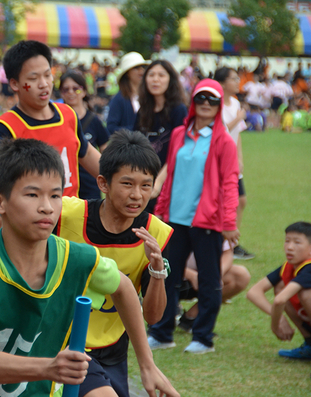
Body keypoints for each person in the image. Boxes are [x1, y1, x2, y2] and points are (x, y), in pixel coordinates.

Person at [0, 138, 179, 397]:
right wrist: (50, 367)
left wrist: (147, 365)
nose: (47, 207)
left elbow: (125, 288)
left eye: (55, 195)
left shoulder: (76, 257)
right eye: (32, 195)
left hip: (48, 382)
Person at [55, 130, 173, 397]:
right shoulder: (68, 214)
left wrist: (157, 272)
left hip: (113, 351)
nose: (137, 195)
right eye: (127, 184)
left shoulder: (156, 232)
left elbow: (153, 317)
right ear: (103, 183)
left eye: (146, 185)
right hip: (60, 343)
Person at [147, 79, 240, 354]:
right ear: (193, 102)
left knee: (210, 281)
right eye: (201, 99)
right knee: (166, 275)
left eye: (212, 100)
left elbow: (230, 183)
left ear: (220, 104)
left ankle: (203, 337)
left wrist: (229, 222)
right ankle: (162, 333)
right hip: (175, 218)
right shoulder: (179, 134)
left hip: (207, 221)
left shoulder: (223, 140)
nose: (206, 105)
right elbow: (171, 174)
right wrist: (161, 210)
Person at [0, 40, 101, 201]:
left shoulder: (68, 115)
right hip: (29, 223)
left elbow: (87, 153)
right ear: (14, 84)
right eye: (33, 78)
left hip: (71, 221)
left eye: (47, 75)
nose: (44, 84)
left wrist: (118, 182)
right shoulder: (5, 128)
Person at [246, 221, 311, 359]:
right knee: (281, 286)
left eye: (297, 242)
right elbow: (253, 292)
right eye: (287, 241)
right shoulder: (288, 266)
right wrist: (279, 317)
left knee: (306, 294)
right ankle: (309, 344)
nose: (290, 247)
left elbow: (280, 300)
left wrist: (275, 326)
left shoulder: (309, 267)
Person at [134, 60, 187, 212]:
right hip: (143, 181)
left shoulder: (178, 110)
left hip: (167, 183)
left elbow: (178, 152)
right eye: (151, 75)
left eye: (161, 75)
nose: (155, 79)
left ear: (170, 80)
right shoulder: (143, 111)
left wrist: (158, 183)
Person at [214, 67, 255, 261]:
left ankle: (232, 242)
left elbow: (236, 134)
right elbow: (220, 131)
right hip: (218, 159)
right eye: (233, 78)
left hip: (232, 160)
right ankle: (227, 243)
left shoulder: (235, 102)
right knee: (230, 201)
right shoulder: (216, 103)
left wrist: (240, 158)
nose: (238, 81)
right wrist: (239, 118)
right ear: (222, 83)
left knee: (242, 200)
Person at [176, 240, 251, 333]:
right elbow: (161, 258)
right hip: (169, 277)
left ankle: (191, 318)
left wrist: (216, 275)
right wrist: (191, 275)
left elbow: (227, 253)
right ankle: (168, 310)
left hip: (202, 277)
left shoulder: (212, 226)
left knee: (240, 275)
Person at [59, 71, 110, 200]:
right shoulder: (57, 121)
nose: (71, 92)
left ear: (84, 91)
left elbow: (106, 152)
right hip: (63, 187)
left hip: (90, 187)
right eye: (66, 89)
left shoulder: (94, 121)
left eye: (75, 89)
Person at [106, 52, 148, 135]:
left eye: (143, 67)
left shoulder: (150, 96)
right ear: (127, 73)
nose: (141, 71)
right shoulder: (118, 99)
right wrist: (136, 130)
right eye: (136, 67)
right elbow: (111, 128)